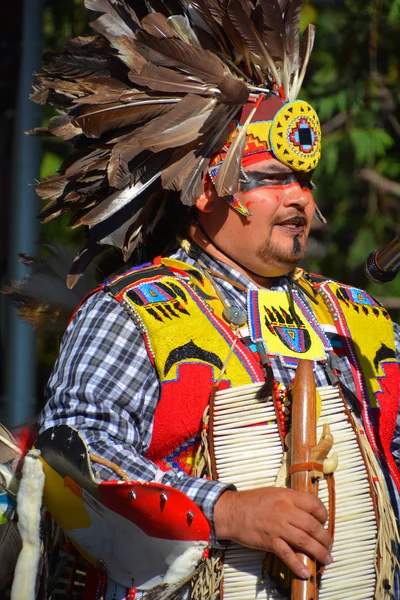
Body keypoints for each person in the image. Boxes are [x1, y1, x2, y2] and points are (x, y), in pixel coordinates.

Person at [31, 0, 400, 598]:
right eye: (273, 178)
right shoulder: (134, 311)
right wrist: (227, 511)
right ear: (210, 189)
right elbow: (71, 451)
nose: (300, 199)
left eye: (304, 180)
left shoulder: (357, 319)